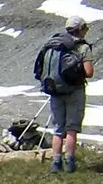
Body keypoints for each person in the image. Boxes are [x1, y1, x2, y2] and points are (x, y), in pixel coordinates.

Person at [36, 15, 95, 173]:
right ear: (81, 29)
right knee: (71, 128)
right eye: (86, 28)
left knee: (58, 128)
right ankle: (69, 162)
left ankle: (55, 162)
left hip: (55, 90)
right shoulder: (82, 47)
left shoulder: (54, 45)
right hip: (75, 90)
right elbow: (89, 72)